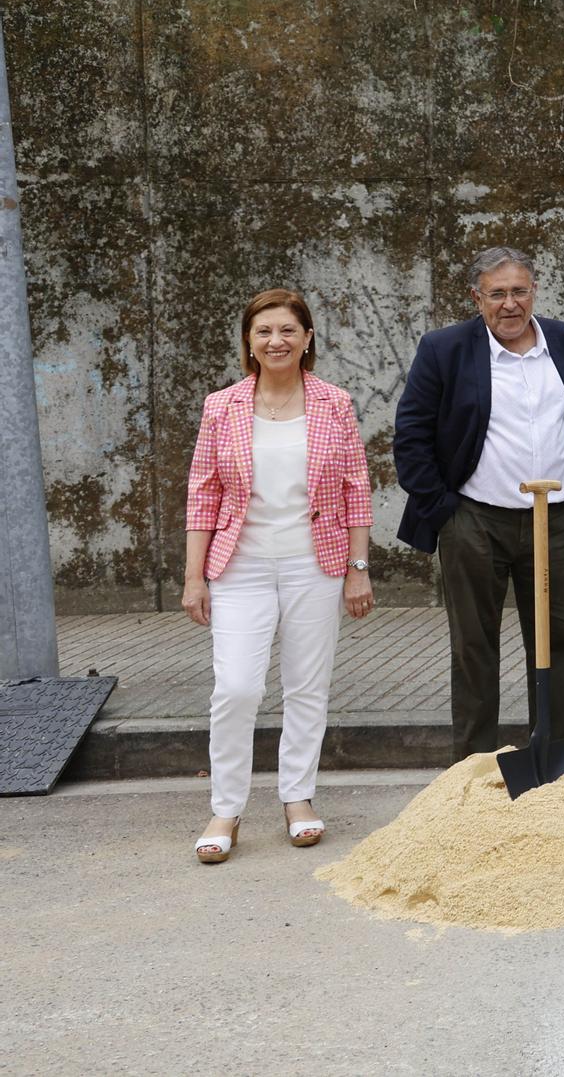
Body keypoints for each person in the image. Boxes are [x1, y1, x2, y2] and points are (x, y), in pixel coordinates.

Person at [393, 246, 564, 761]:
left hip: (556, 520)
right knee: (474, 648)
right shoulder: (445, 349)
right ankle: (472, 768)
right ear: (477, 297)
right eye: (497, 294)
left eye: (519, 291)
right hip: (474, 521)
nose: (509, 304)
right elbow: (411, 436)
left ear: (534, 292)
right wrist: (446, 512)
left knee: (560, 641)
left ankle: (553, 761)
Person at [184, 289, 374, 863]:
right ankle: (226, 808)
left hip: (314, 564)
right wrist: (195, 578)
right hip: (239, 566)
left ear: (308, 338)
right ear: (248, 340)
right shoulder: (222, 406)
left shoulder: (334, 403)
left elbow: (355, 490)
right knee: (236, 689)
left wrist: (357, 569)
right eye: (264, 331)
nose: (276, 341)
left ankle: (298, 798)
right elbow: (202, 493)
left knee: (306, 688)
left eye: (288, 330)